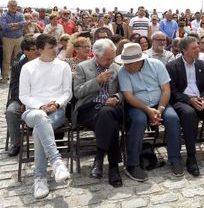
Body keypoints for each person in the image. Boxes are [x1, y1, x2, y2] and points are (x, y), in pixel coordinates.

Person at [117, 43, 184, 180]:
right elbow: (128, 96)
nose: (127, 66)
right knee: (139, 120)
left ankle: (175, 158)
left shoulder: (157, 65)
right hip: (138, 105)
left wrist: (159, 110)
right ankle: (132, 164)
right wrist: (147, 110)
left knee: (172, 119)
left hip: (161, 103)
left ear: (139, 61)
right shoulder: (123, 71)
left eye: (129, 64)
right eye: (125, 63)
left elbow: (166, 89)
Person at [166, 37, 204, 176]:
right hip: (182, 101)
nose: (198, 49)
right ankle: (191, 156)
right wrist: (189, 100)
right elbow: (173, 91)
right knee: (189, 114)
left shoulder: (201, 64)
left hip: (200, 99)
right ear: (184, 50)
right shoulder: (172, 66)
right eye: (194, 48)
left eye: (197, 47)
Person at [19, 34, 72, 199]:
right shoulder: (28, 67)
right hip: (33, 111)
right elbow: (23, 95)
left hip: (56, 111)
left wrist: (56, 104)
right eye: (50, 47)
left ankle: (40, 178)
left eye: (55, 46)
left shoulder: (64, 66)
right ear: (40, 50)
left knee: (38, 130)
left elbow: (67, 93)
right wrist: (40, 106)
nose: (55, 50)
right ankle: (56, 162)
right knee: (40, 118)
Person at [73, 39, 124, 187]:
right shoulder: (83, 67)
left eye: (112, 57)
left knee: (107, 113)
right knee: (110, 123)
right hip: (89, 108)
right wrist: (96, 81)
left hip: (112, 107)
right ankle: (113, 167)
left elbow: (124, 91)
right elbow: (77, 93)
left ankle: (99, 160)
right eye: (107, 58)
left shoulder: (117, 68)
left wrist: (116, 97)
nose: (111, 61)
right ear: (96, 55)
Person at [5, 38, 39, 157]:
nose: (37, 52)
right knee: (11, 112)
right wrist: (24, 100)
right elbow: (15, 88)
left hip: (41, 97)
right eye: (33, 50)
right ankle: (17, 144)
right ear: (25, 52)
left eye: (38, 48)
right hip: (21, 98)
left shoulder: (43, 62)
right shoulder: (17, 66)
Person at [0, 0, 25, 83]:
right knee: (6, 59)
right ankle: (5, 78)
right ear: (8, 6)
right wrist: (18, 25)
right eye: (11, 5)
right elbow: (4, 27)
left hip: (19, 38)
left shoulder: (20, 14)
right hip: (8, 39)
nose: (13, 7)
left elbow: (24, 24)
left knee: (18, 59)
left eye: (15, 5)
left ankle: (18, 77)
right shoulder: (4, 15)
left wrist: (12, 25)